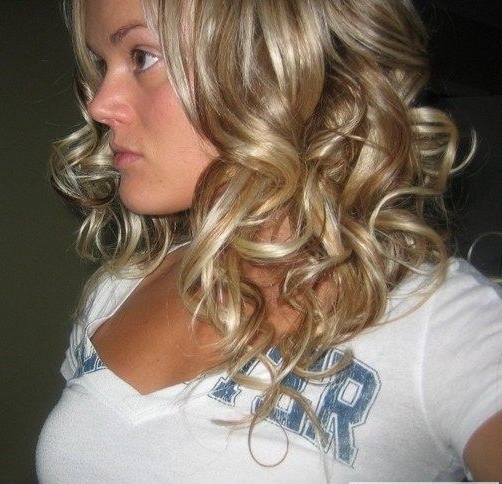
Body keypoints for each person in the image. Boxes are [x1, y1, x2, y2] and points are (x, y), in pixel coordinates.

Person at [36, 0, 502, 482]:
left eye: (142, 57)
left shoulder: (437, 318)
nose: (99, 105)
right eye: (101, 64)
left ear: (282, 62)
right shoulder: (115, 291)